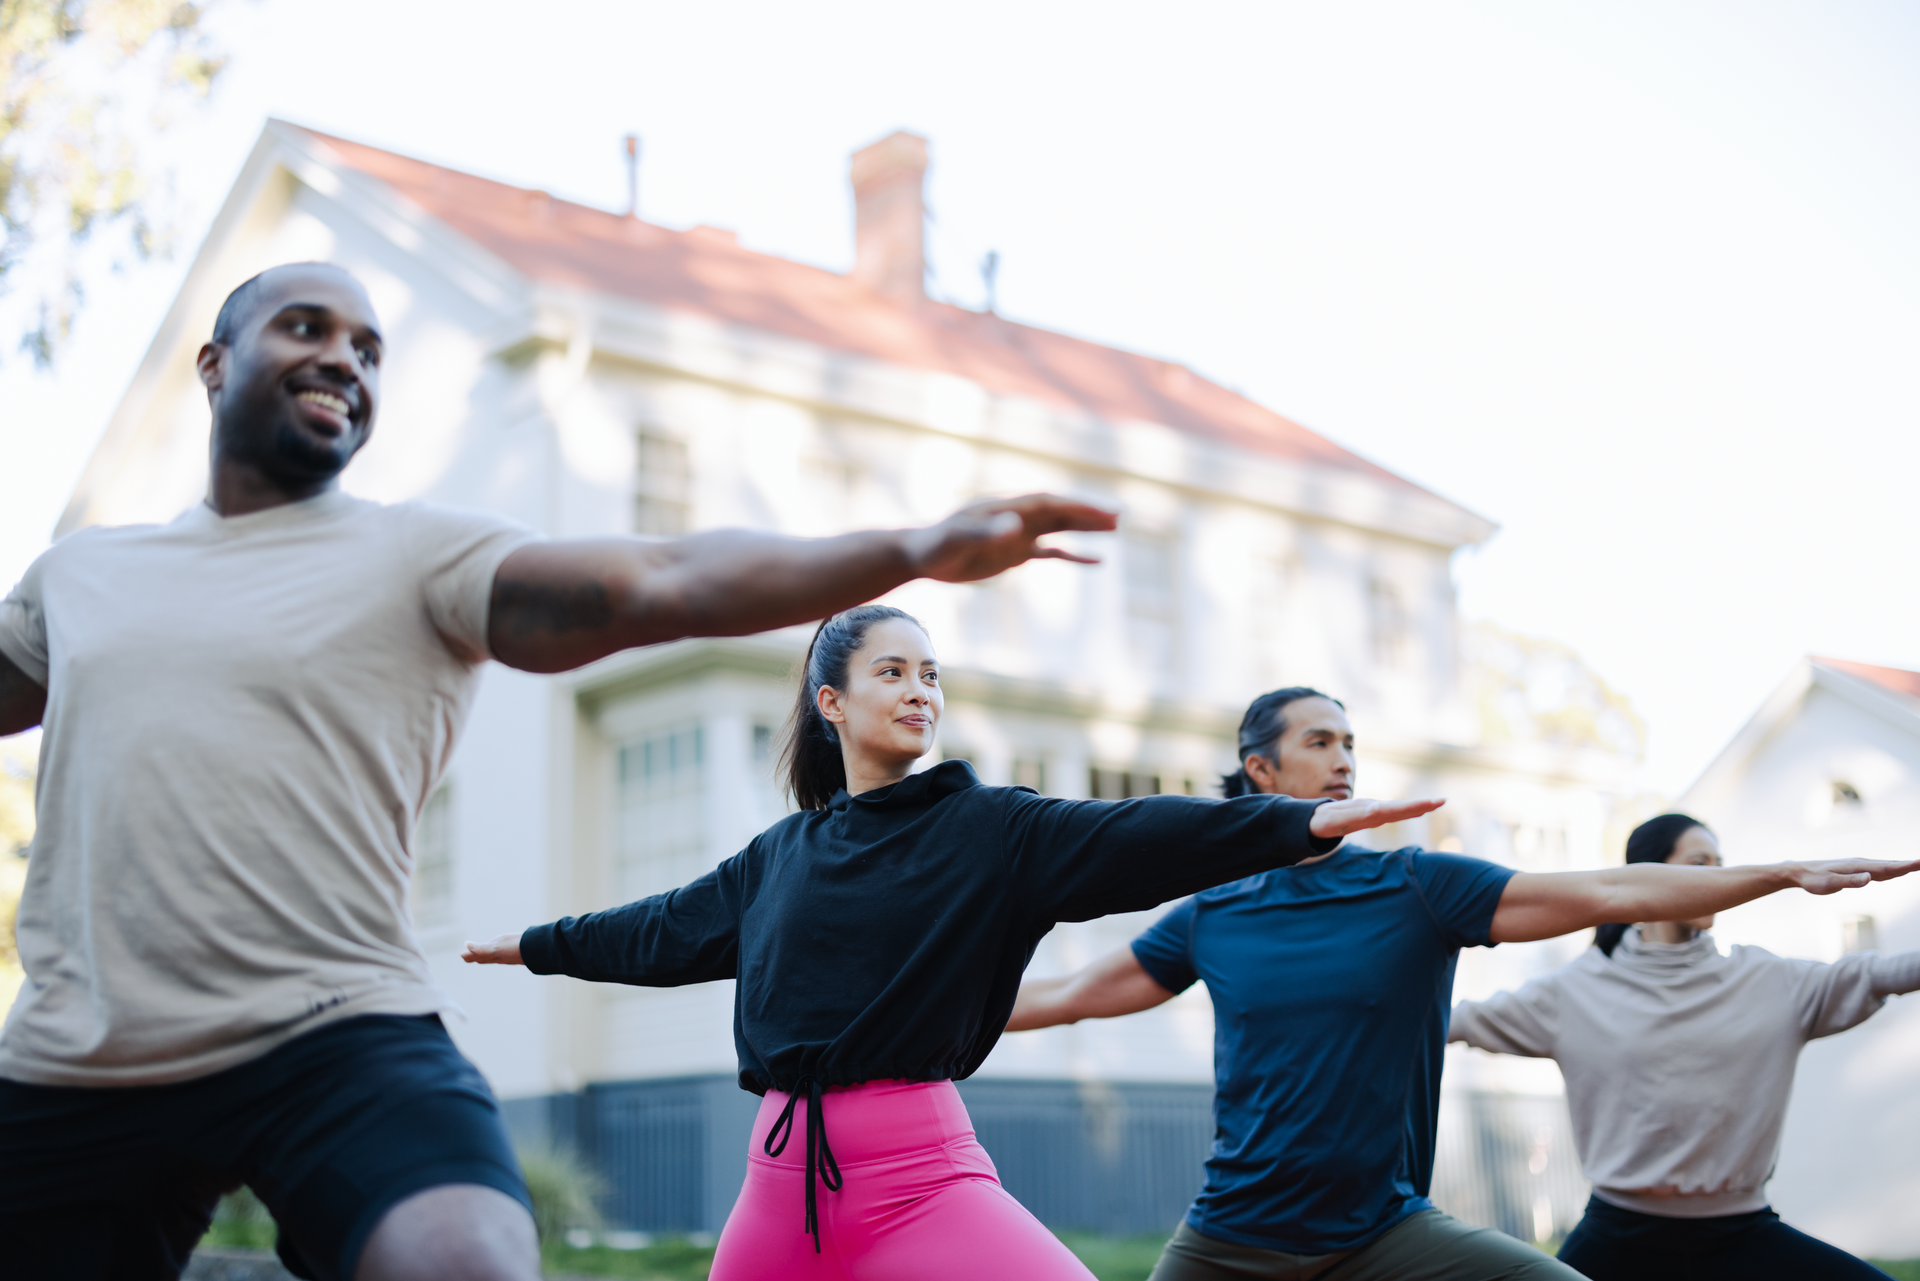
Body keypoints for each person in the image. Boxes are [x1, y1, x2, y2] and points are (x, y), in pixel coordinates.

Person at [0, 261, 1124, 1281]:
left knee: (469, 1257)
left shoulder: (419, 555)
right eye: (307, 327)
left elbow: (665, 575)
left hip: (334, 1031)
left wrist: (910, 551)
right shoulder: (82, 575)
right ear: (215, 363)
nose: (343, 356)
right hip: (86, 1052)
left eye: (369, 347)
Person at [460, 607, 1442, 1280]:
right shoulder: (779, 857)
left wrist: (1298, 825)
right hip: (777, 1182)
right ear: (830, 700)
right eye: (891, 671)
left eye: (930, 673)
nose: (919, 689)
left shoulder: (992, 830)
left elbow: (1138, 833)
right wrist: (538, 944)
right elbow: (661, 930)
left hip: (916, 1176)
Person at [1005, 687, 1918, 1281]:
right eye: (1320, 742)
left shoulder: (1416, 886)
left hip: (1383, 1234)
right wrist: (899, 1024)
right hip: (1233, 1238)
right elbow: (1066, 996)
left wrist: (1779, 872)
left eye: (1351, 742)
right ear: (1263, 769)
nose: (1345, 759)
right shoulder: (1215, 913)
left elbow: (1610, 888)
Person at [1449, 812, 1920, 1281]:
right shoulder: (1572, 991)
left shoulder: (1769, 981)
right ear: (1650, 876)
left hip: (1742, 1236)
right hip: (1617, 1239)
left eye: (1721, 864)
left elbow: (1882, 973)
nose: (1719, 879)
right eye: (1700, 864)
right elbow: (1454, 1021)